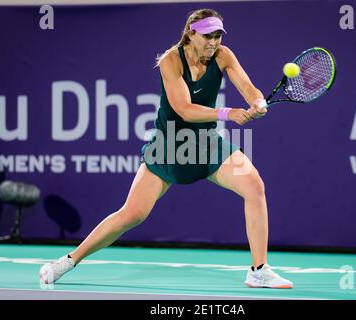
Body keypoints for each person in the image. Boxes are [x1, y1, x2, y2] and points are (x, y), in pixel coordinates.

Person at [40, 8, 293, 289]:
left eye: (218, 36)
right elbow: (183, 109)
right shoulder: (171, 60)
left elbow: (247, 87)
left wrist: (257, 102)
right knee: (132, 214)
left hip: (206, 145)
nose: (214, 42)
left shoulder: (224, 55)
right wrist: (228, 113)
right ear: (191, 33)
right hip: (169, 147)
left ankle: (259, 270)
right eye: (208, 36)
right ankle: (69, 260)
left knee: (254, 186)